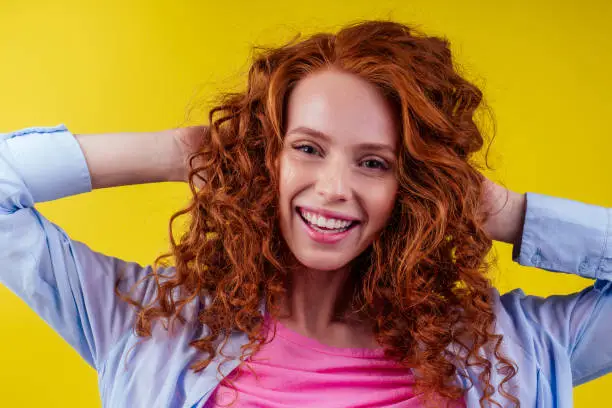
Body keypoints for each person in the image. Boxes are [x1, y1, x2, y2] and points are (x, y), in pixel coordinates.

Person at [0, 20, 610, 408]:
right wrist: (172, 152)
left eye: (375, 163)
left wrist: (507, 214)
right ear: (268, 155)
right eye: (308, 149)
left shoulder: (503, 350)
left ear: (414, 185)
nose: (334, 188)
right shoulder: (151, 325)